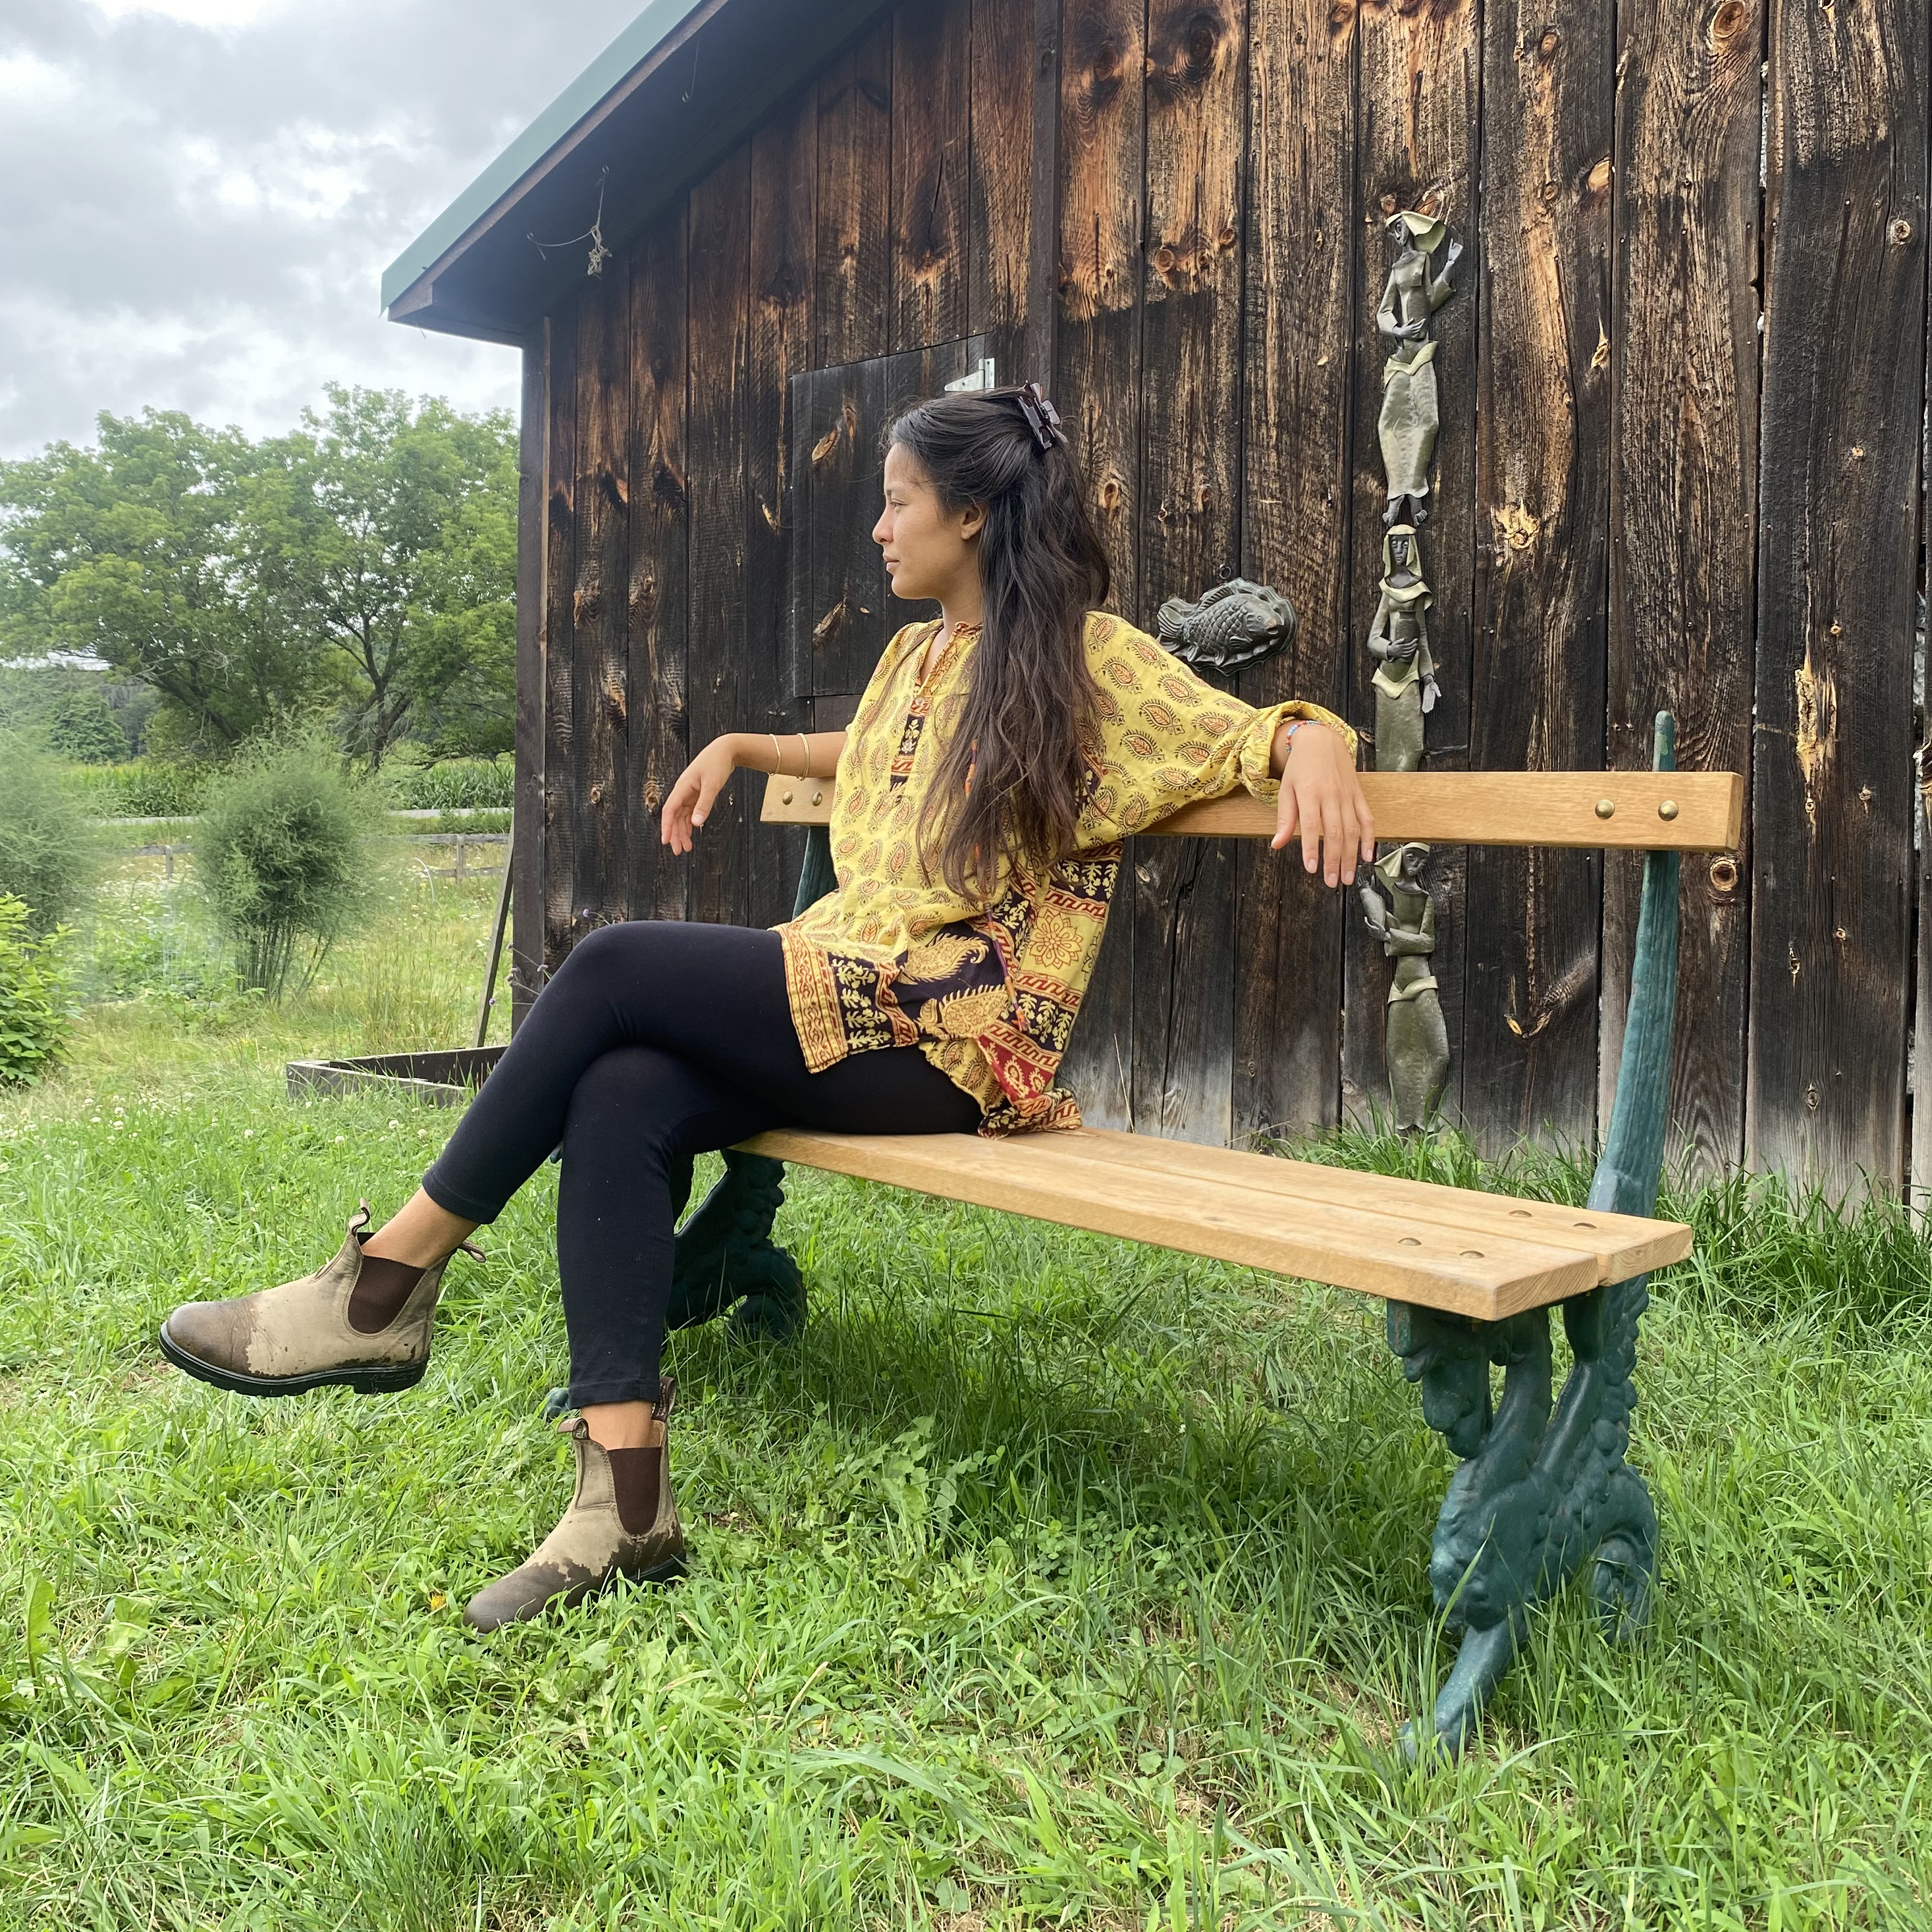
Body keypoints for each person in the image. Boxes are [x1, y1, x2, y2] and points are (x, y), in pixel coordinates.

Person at [156, 383, 1374, 1630]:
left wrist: (1319, 740)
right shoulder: (918, 652)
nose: (879, 529)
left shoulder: (1091, 656)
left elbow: (1247, 734)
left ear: (969, 512)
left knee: (615, 964)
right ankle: (623, 1503)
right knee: (620, 1089)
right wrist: (747, 744)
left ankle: (386, 1285)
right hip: (848, 992)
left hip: (953, 1040)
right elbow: (874, 747)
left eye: (896, 503)